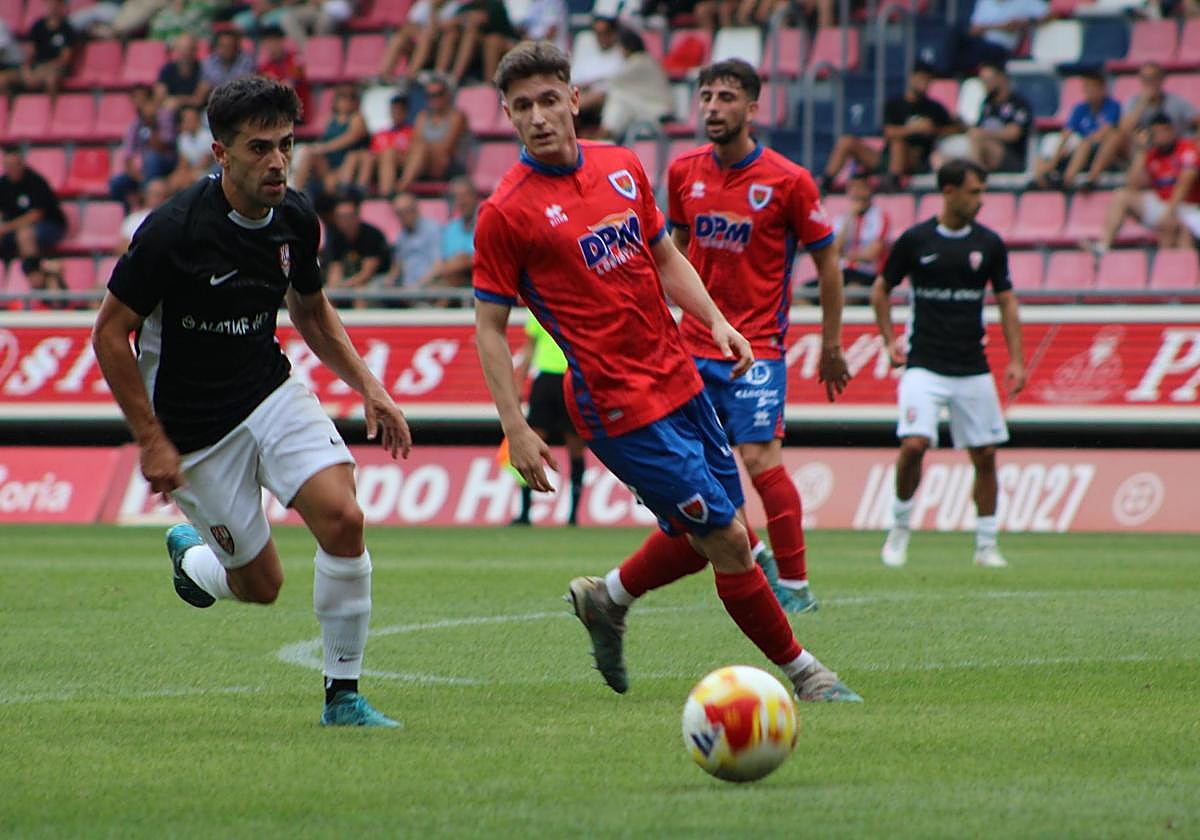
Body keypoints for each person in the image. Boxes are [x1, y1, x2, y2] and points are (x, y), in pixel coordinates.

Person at [473, 41, 860, 703]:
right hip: (615, 403)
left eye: (547, 100)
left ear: (574, 99)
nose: (537, 117)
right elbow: (488, 325)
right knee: (732, 541)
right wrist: (517, 427)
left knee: (710, 530)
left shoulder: (623, 167)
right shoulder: (506, 211)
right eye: (521, 107)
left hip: (679, 376)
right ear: (506, 116)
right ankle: (807, 675)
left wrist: (715, 320)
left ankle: (607, 598)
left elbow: (665, 256)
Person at [90, 76, 411, 728]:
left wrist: (370, 387)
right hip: (196, 431)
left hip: (269, 390)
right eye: (259, 148)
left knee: (344, 519)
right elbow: (107, 333)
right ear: (220, 153)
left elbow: (311, 310)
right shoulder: (172, 232)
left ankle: (343, 697)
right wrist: (151, 440)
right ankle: (194, 555)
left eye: (286, 146)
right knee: (261, 588)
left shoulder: (295, 218)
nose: (276, 162)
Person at [667, 59, 850, 615]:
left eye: (726, 97)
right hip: (691, 344)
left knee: (759, 456)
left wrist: (833, 343)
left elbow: (829, 262)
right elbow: (667, 254)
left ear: (752, 108)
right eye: (706, 96)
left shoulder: (788, 180)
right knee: (689, 468)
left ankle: (794, 585)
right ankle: (757, 550)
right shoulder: (682, 172)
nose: (713, 107)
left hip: (759, 348)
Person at [869, 159, 1025, 570]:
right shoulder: (915, 241)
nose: (980, 200)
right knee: (914, 445)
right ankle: (899, 531)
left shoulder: (989, 244)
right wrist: (889, 341)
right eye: (974, 192)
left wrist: (1017, 360)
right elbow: (880, 291)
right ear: (949, 191)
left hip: (972, 365)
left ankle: (986, 545)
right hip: (924, 362)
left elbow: (1007, 300)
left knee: (986, 454)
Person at [823, 62, 956, 194]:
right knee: (847, 141)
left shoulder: (933, 107)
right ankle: (825, 184)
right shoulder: (895, 104)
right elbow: (887, 131)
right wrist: (914, 129)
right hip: (886, 157)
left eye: (928, 79)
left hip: (915, 160)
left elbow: (955, 128)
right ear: (911, 78)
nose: (924, 83)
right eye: (921, 78)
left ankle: (892, 185)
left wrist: (934, 129)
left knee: (898, 143)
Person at [1086, 114, 1200, 256]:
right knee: (1121, 195)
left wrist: (1169, 212)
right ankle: (1103, 246)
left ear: (1171, 130)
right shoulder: (1152, 154)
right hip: (1161, 203)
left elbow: (1185, 184)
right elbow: (1132, 185)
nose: (1158, 136)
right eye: (1155, 133)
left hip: (1188, 207)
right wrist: (1141, 151)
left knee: (1179, 231)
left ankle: (1179, 273)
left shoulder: (1186, 149)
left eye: (1162, 131)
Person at [509, 316, 585, 526]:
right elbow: (529, 349)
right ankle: (525, 512)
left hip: (572, 378)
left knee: (575, 448)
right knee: (531, 445)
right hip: (546, 381)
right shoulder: (537, 310)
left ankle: (573, 515)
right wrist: (519, 383)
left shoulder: (576, 305)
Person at [1082, 63, 1199, 190]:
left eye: (1152, 78)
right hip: (1141, 149)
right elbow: (1124, 130)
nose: (1149, 82)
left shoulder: (1176, 102)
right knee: (1114, 136)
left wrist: (1191, 141)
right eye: (1145, 78)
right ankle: (1093, 178)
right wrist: (1142, 103)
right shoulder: (1134, 102)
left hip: (1172, 150)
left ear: (1161, 79)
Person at [1033, 70, 1119, 190]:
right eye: (1086, 87)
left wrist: (1087, 139)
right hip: (1079, 144)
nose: (1088, 91)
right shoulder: (1080, 108)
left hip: (1098, 146)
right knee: (1049, 140)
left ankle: (1069, 179)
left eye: (1092, 87)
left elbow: (1107, 130)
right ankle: (1041, 176)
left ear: (1102, 88)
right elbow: (1067, 132)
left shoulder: (1112, 106)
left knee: (1085, 143)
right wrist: (1058, 153)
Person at [293, 84, 371, 198]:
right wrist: (318, 147)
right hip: (328, 164)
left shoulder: (357, 118)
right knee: (308, 152)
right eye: (342, 98)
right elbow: (323, 139)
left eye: (350, 98)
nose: (345, 102)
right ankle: (296, 191)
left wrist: (324, 147)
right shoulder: (331, 119)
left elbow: (351, 137)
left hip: (347, 162)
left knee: (320, 155)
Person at [109, 85, 179, 210]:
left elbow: (166, 145)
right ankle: (129, 215)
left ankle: (148, 206)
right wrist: (137, 175)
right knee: (116, 183)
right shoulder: (135, 124)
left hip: (166, 161)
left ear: (151, 101)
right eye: (135, 100)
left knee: (152, 159)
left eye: (143, 100)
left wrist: (152, 124)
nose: (139, 104)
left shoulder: (164, 116)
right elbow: (128, 156)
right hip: (141, 172)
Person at [395, 77, 469, 193]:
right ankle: (384, 194)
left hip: (446, 164)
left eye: (438, 94)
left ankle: (400, 190)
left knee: (421, 148)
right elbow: (414, 144)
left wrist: (426, 148)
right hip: (422, 161)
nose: (434, 99)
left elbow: (447, 148)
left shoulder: (456, 116)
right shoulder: (422, 116)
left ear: (447, 95)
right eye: (430, 96)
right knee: (388, 154)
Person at [598, 27, 673, 142]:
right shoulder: (644, 60)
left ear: (627, 47)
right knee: (619, 97)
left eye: (620, 47)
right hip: (648, 106)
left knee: (617, 96)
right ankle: (606, 136)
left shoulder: (640, 62)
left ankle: (606, 134)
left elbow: (611, 82)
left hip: (659, 111)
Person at [322, 192, 392, 308]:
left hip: (378, 279)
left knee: (360, 293)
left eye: (349, 216)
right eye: (341, 217)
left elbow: (367, 273)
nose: (345, 221)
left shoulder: (372, 235)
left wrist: (344, 286)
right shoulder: (335, 237)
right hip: (348, 280)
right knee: (327, 295)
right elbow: (335, 268)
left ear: (357, 215)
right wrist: (333, 288)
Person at [0, 147, 67, 263]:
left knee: (25, 235)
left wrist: (7, 227)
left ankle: (33, 274)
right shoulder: (3, 184)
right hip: (14, 226)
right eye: (8, 166)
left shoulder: (36, 182)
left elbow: (36, 215)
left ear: (21, 164)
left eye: (14, 165)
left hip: (49, 225)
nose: (11, 169)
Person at [969, 63, 1033, 174]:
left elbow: (1014, 133)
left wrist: (984, 134)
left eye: (988, 80)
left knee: (978, 139)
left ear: (1001, 78)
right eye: (983, 81)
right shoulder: (987, 104)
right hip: (986, 154)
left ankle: (975, 177)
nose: (985, 84)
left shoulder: (1018, 103)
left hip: (1012, 156)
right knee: (941, 158)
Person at [951, 0, 1048, 74]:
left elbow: (1049, 14)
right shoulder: (985, 2)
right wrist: (1002, 26)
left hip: (1002, 49)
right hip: (980, 44)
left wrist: (1025, 23)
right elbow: (973, 29)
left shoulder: (1024, 1)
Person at [420, 176, 476, 302]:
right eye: (457, 197)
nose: (461, 201)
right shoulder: (450, 228)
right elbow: (445, 258)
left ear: (474, 196)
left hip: (479, 278)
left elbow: (473, 259)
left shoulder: (487, 222)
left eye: (464, 196)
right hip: (452, 278)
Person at [833, 173, 889, 288]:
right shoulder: (841, 219)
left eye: (860, 188)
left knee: (851, 291)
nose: (856, 192)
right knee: (802, 294)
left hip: (867, 274)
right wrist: (850, 216)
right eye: (851, 188)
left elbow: (872, 254)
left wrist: (845, 255)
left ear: (869, 190)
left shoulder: (880, 217)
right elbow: (834, 250)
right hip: (842, 272)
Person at [383, 191, 440, 296]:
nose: (403, 216)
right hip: (407, 289)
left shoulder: (432, 229)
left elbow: (438, 266)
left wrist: (418, 286)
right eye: (399, 213)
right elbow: (399, 265)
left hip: (428, 287)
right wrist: (389, 281)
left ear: (416, 209)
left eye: (406, 211)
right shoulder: (401, 236)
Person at [21, 0, 79, 97]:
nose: (52, 7)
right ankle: (10, 109)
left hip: (57, 69)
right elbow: (29, 53)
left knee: (51, 80)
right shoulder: (37, 26)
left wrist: (44, 69)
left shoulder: (67, 28)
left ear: (61, 6)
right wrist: (26, 70)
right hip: (37, 68)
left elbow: (65, 59)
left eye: (55, 4)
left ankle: (51, 110)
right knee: (4, 80)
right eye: (49, 4)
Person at [360, 93, 414, 197]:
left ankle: (385, 194)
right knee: (364, 156)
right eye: (393, 111)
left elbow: (410, 156)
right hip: (377, 168)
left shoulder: (412, 133)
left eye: (399, 111)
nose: (395, 114)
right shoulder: (380, 134)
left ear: (406, 112)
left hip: (400, 168)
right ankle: (360, 190)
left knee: (389, 153)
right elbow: (373, 153)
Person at [155, 33, 211, 113]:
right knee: (163, 113)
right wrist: (188, 99)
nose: (185, 53)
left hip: (196, 112)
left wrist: (177, 101)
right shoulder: (167, 69)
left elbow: (199, 100)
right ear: (176, 51)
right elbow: (159, 98)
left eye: (188, 49)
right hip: (172, 111)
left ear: (195, 51)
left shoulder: (204, 69)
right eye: (181, 49)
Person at [117, 178, 171, 254]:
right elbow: (122, 248)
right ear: (146, 195)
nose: (157, 198)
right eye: (153, 194)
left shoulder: (172, 221)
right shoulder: (133, 219)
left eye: (160, 195)